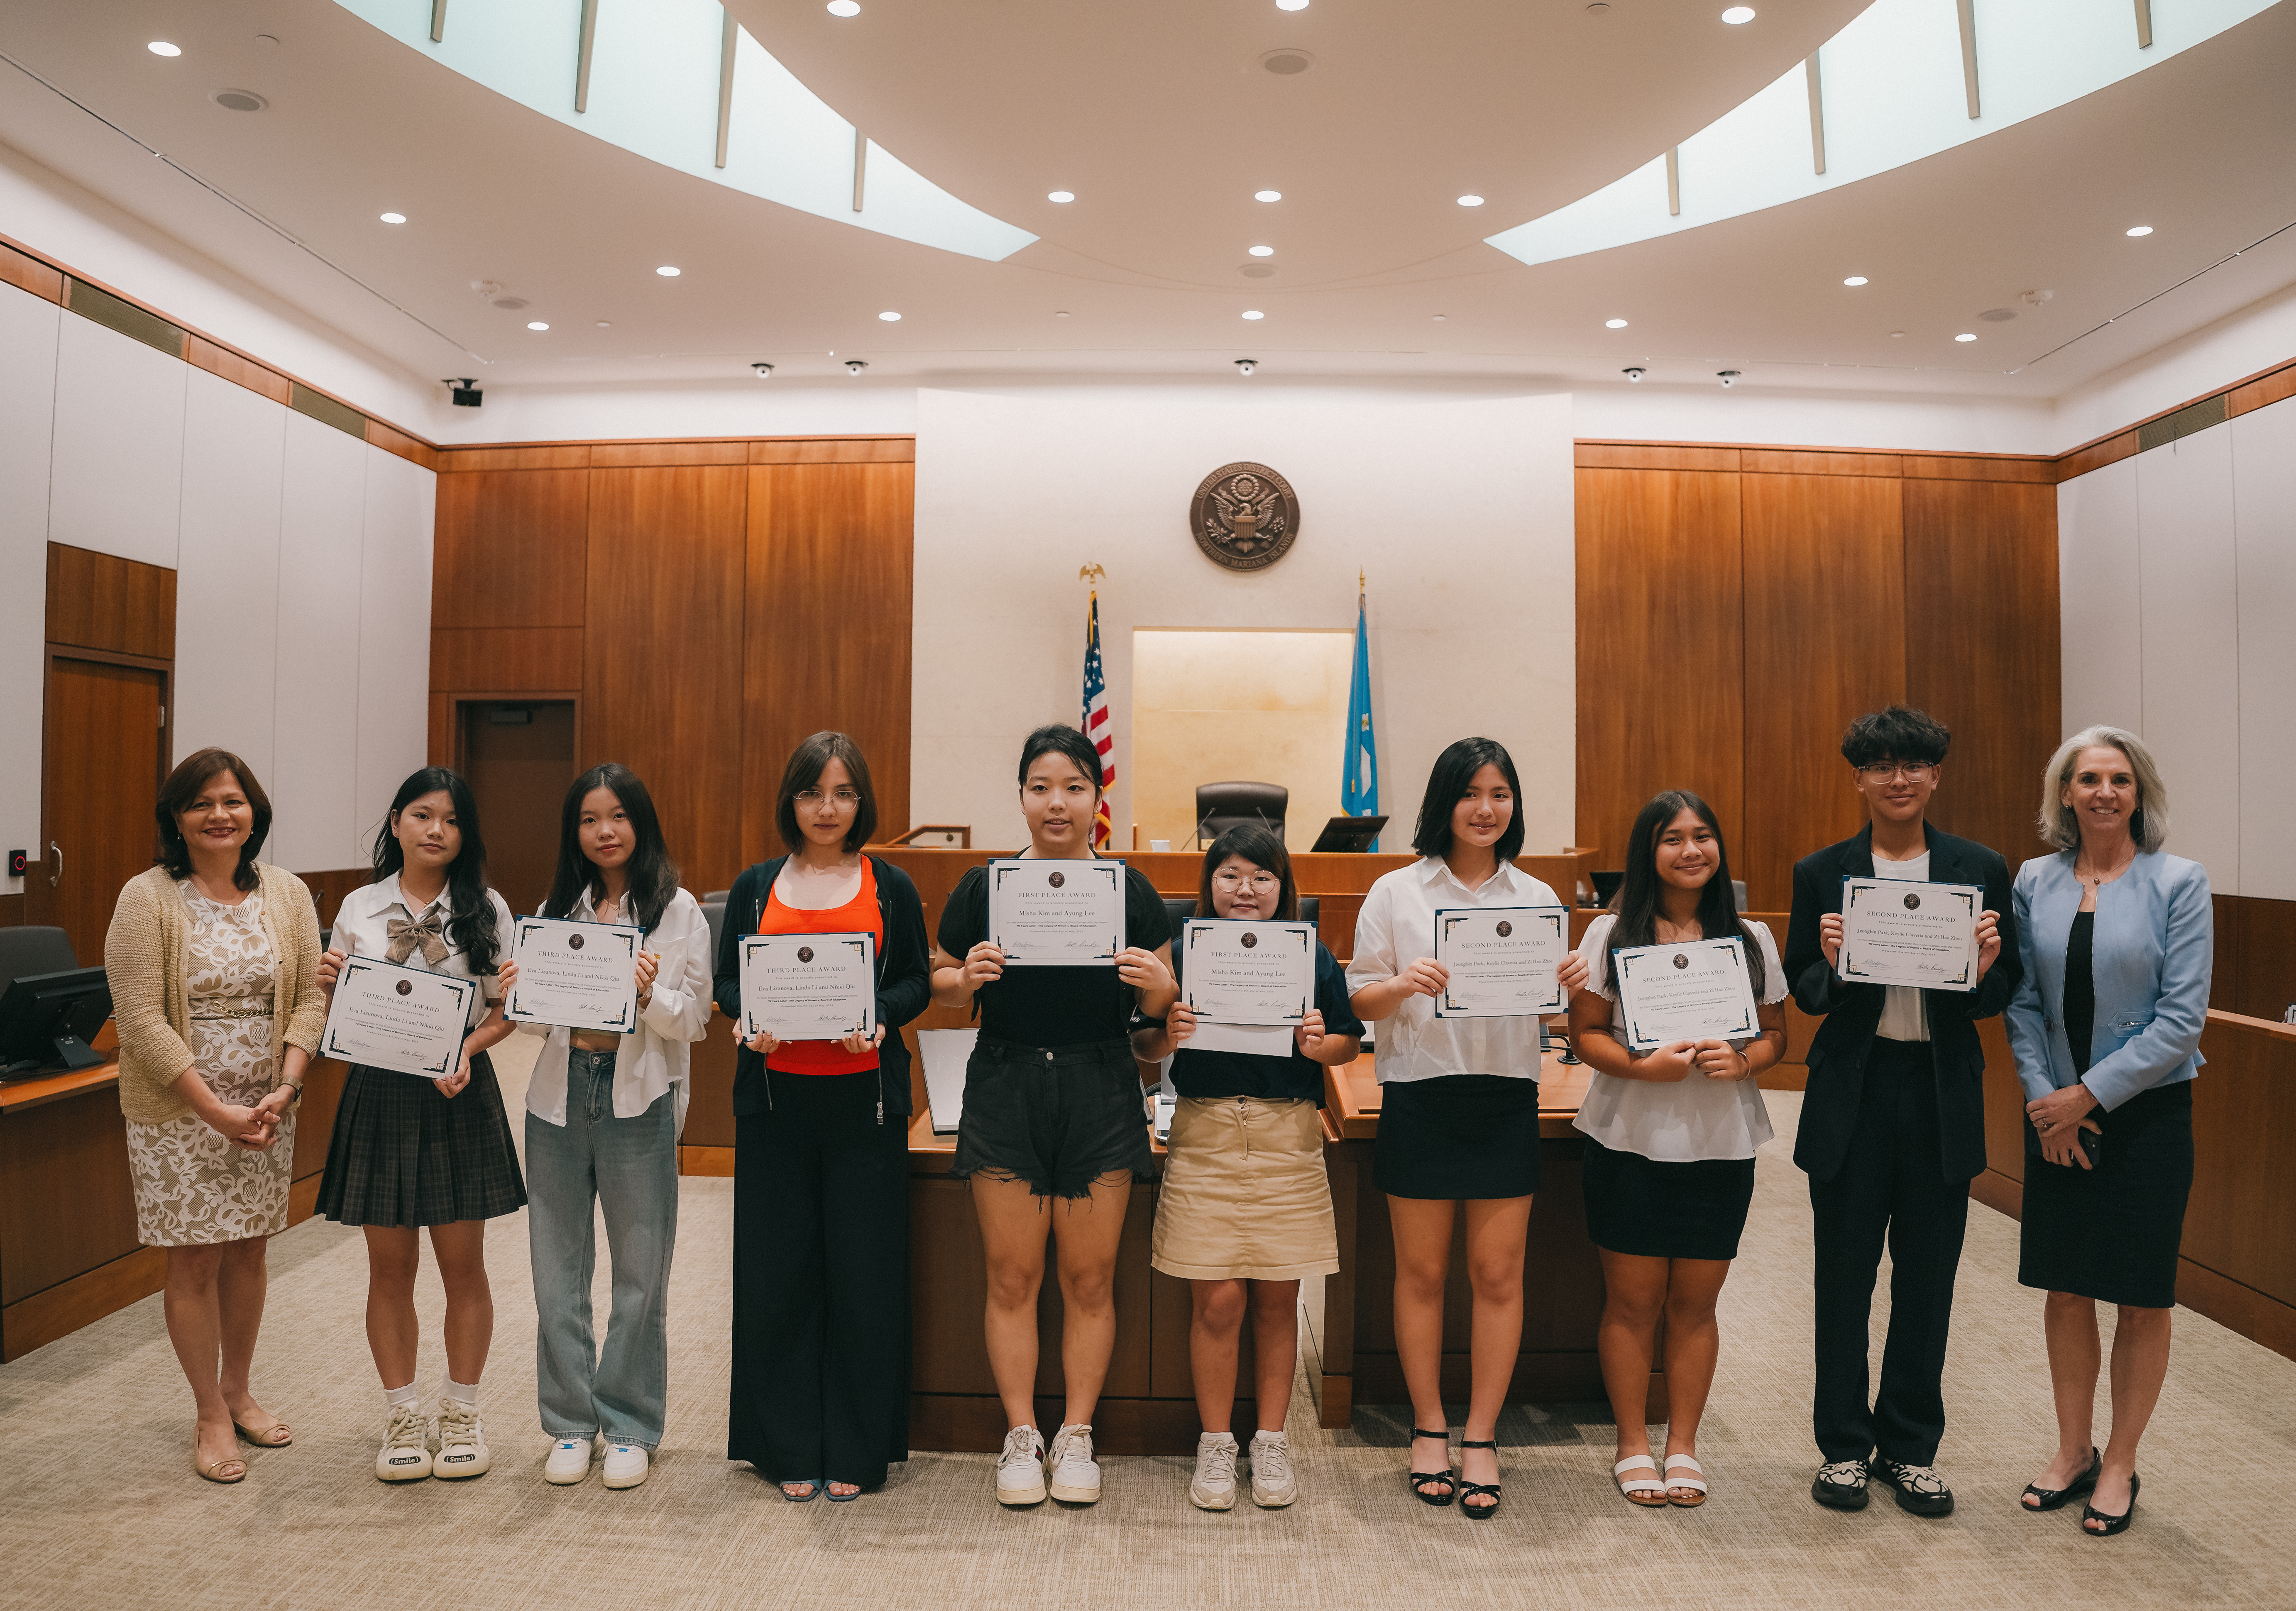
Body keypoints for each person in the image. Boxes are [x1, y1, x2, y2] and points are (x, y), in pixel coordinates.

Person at [929, 724, 1177, 1508]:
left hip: (1101, 1084)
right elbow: (939, 982)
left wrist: (1157, 983)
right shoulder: (984, 885)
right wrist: (962, 977)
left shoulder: (1127, 888)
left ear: (1097, 797)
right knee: (1012, 1274)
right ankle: (1019, 1435)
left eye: (1073, 786)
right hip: (1005, 1081)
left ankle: (1075, 1433)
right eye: (1041, 787)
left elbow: (1164, 1003)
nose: (1057, 802)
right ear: (1023, 798)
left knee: (1090, 1275)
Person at [1346, 737, 1587, 1519]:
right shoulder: (1396, 890)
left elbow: (1554, 1015)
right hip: (1421, 1095)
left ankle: (1481, 1433)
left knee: (1497, 1276)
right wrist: (1400, 983)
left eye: (1502, 793)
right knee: (1420, 1275)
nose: (1487, 809)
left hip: (1505, 1098)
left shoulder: (1541, 896)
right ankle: (1428, 1424)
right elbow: (1359, 1002)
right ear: (1444, 801)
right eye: (1471, 793)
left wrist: (1571, 986)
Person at [1785, 705, 2016, 1517]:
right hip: (1855, 1086)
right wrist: (1835, 962)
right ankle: (1844, 1448)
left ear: (1936, 775)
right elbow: (1804, 993)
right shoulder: (1822, 872)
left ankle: (1911, 1448)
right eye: (1880, 766)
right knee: (1844, 1279)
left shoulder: (1980, 867)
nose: (1898, 779)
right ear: (1858, 779)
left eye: (1913, 764)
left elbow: (2002, 991)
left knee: (1929, 1280)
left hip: (1938, 1090)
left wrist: (1986, 963)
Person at [2007, 725, 2210, 1538]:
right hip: (2053, 1112)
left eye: (2119, 780)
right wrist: (2045, 1101)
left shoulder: (2179, 882)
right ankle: (2072, 1450)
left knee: (2140, 1294)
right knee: (2066, 1286)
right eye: (2088, 778)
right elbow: (2021, 1002)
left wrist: (2086, 1098)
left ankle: (2121, 1460)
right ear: (2065, 793)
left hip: (2146, 1115)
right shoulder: (2034, 879)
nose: (2103, 792)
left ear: (2139, 792)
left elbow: (2181, 1020)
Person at [717, 733, 931, 1503]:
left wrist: (879, 1015)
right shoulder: (754, 886)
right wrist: (746, 1020)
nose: (828, 808)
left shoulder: (891, 886)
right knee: (780, 1275)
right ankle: (786, 1445)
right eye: (813, 793)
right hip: (776, 1101)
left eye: (843, 793)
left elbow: (913, 979)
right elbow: (729, 984)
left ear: (861, 801)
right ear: (792, 801)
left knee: (863, 1276)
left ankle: (857, 1444)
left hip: (864, 1102)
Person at [105, 749, 325, 1484]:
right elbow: (138, 1018)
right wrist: (212, 1108)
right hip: (180, 1108)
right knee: (195, 1257)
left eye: (233, 800)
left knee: (252, 1250)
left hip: (267, 1104)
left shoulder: (288, 892)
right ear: (177, 817)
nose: (219, 814)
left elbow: (309, 1002)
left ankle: (240, 1388)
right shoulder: (147, 897)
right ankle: (207, 1409)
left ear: (254, 812)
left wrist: (286, 1088)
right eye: (201, 803)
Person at [1130, 824, 1362, 1512]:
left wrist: (1321, 1045)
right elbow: (1142, 1044)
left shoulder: (1310, 951)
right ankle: (1215, 1442)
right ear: (1209, 884)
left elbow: (1349, 1042)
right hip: (1204, 1133)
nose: (1246, 889)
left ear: (1282, 887)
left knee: (1275, 1299)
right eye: (1231, 874)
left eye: (1262, 877)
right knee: (1219, 1299)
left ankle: (1270, 1439)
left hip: (1286, 1135)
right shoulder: (1183, 949)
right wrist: (1164, 1033)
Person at [1570, 792, 1787, 1509]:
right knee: (1632, 1301)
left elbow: (1778, 1034)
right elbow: (1587, 1035)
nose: (1691, 850)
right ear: (1648, 851)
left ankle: (1683, 1444)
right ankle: (1634, 1442)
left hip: (1721, 1142)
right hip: (1630, 1137)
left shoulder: (1752, 936)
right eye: (1673, 839)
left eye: (1703, 837)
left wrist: (1748, 1060)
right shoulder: (1608, 933)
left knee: (1696, 1303)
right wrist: (1642, 1065)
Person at [315, 766, 523, 1484]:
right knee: (390, 1267)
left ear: (466, 835)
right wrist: (327, 985)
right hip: (380, 1092)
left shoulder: (486, 906)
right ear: (398, 821)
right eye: (423, 815)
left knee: (464, 1266)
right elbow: (344, 1005)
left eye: (453, 820)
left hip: (457, 1090)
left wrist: (463, 1050)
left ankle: (462, 1409)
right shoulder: (359, 906)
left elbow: (505, 1010)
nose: (437, 830)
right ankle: (402, 1414)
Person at [523, 764, 711, 1491]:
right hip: (558, 1100)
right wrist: (521, 991)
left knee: (641, 1274)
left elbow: (693, 1019)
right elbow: (537, 1023)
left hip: (639, 1099)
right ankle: (570, 1423)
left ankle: (629, 1423)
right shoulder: (552, 906)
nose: (604, 832)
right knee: (556, 1272)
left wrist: (647, 989)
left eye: (618, 816)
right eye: (589, 819)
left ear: (641, 823)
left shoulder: (679, 909)